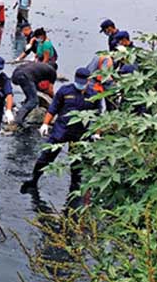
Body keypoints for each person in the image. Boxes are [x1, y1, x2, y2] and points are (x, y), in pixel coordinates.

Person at [20, 68, 104, 204]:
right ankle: (33, 180)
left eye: (84, 82)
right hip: (61, 130)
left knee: (77, 165)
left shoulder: (93, 95)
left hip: (80, 134)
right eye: (79, 81)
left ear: (88, 81)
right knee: (46, 157)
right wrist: (45, 124)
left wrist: (97, 133)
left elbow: (99, 116)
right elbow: (53, 108)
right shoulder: (65, 91)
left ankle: (74, 190)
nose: (81, 84)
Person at [11, 61, 57, 126]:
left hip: (16, 74)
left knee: (30, 97)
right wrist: (55, 100)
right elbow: (50, 90)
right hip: (25, 76)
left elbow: (34, 86)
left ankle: (22, 111)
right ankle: (18, 121)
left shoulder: (38, 67)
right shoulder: (52, 72)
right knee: (33, 101)